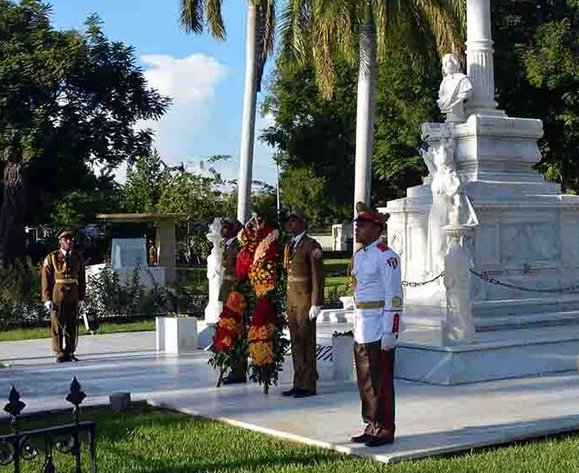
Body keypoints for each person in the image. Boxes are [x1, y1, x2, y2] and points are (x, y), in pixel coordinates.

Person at [349, 202, 403, 447]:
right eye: (357, 224)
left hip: (379, 324)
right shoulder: (360, 256)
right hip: (362, 324)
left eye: (362, 225)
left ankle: (385, 428)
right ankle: (371, 424)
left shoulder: (387, 256)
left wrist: (391, 330)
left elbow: (394, 295)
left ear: (376, 228)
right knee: (365, 379)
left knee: (380, 381)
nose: (357, 228)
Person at [283, 209, 325, 398]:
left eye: (294, 221)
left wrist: (316, 303)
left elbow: (318, 276)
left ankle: (308, 384)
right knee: (296, 341)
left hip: (305, 299)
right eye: (289, 221)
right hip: (293, 300)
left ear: (302, 224)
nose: (290, 224)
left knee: (307, 341)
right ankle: (298, 381)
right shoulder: (290, 245)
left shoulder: (311, 245)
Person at [41, 230, 86, 363]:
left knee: (72, 324)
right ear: (60, 242)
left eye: (70, 240)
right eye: (66, 240)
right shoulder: (52, 257)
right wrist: (46, 298)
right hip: (57, 294)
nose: (69, 242)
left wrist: (82, 298)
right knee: (57, 325)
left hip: (73, 294)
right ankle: (59, 353)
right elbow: (46, 279)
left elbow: (82, 279)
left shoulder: (78, 257)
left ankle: (70, 351)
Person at [219, 217, 245, 384]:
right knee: (229, 332)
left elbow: (240, 272)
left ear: (235, 230)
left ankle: (238, 371)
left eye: (226, 227)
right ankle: (234, 369)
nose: (222, 230)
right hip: (227, 292)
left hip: (235, 294)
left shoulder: (238, 247)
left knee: (236, 333)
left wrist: (236, 292)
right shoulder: (228, 246)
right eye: (222, 226)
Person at [436, 53, 473, 123]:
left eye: (448, 62)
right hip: (450, 117)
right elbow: (441, 95)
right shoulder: (444, 81)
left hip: (458, 114)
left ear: (455, 63)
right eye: (445, 63)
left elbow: (467, 93)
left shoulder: (462, 79)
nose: (446, 65)